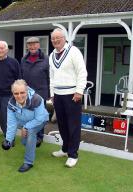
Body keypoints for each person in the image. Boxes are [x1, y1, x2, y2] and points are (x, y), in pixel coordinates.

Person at [49, 28, 87, 167]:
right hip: (58, 95)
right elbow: (52, 77)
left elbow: (82, 72)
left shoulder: (74, 51)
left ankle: (73, 154)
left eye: (58, 38)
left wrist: (79, 91)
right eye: (53, 38)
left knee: (73, 125)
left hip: (72, 95)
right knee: (62, 124)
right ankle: (65, 149)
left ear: (64, 38)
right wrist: (52, 94)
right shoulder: (52, 55)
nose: (55, 40)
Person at [2, 79, 49, 172]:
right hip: (23, 121)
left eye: (22, 92)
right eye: (16, 93)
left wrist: (26, 127)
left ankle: (28, 162)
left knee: (30, 132)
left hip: (40, 120)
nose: (19, 96)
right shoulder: (11, 103)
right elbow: (12, 122)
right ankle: (33, 142)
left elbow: (39, 118)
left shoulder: (37, 99)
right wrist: (8, 140)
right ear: (13, 93)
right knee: (25, 142)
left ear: (27, 91)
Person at [21, 36, 49, 148]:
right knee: (28, 115)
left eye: (34, 44)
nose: (32, 46)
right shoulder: (23, 59)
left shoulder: (46, 59)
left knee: (40, 116)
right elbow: (21, 77)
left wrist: (50, 94)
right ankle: (29, 135)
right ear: (27, 46)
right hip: (27, 93)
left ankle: (39, 137)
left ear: (38, 45)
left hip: (41, 93)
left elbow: (49, 77)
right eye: (30, 44)